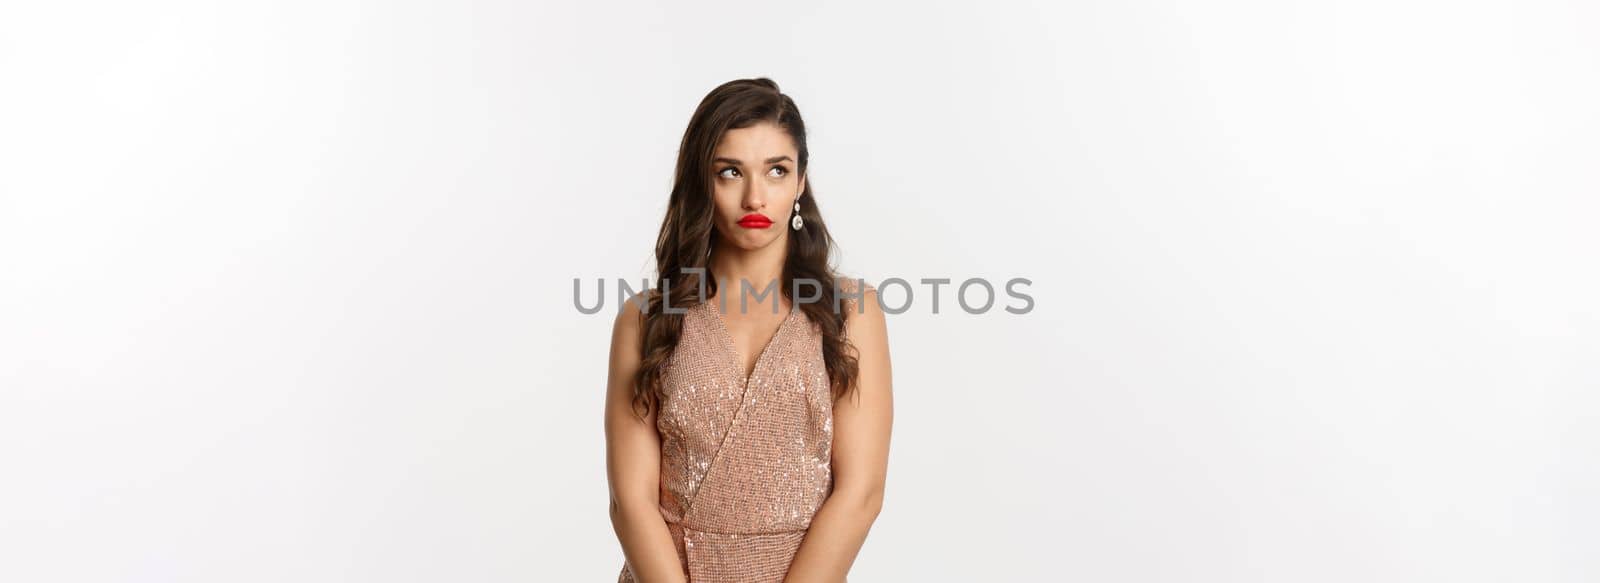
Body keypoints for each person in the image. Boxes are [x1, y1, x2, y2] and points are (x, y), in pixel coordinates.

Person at [604, 78, 893, 583]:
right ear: (702, 182)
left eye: (777, 171)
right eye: (730, 172)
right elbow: (630, 502)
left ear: (801, 181)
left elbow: (861, 494)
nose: (755, 196)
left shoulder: (851, 311)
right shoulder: (646, 318)